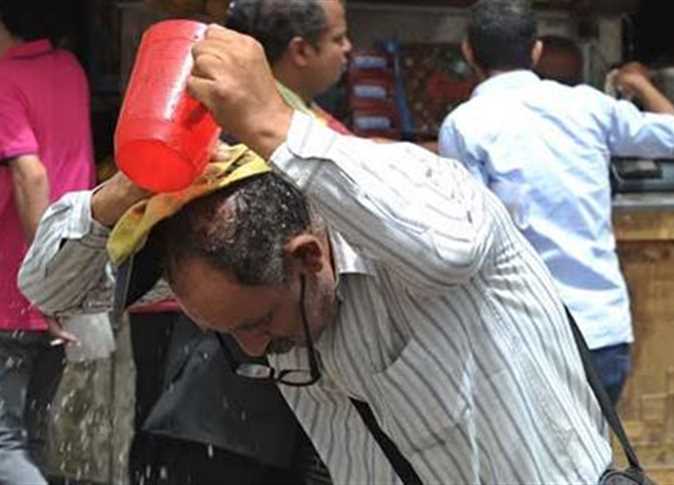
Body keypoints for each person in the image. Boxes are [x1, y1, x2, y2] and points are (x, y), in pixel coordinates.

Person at [21, 24, 613, 484]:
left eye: (259, 322)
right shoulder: (229, 269)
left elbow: (449, 250)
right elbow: (52, 287)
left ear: (308, 257)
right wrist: (130, 186)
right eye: (228, 332)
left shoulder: (425, 199)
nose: (255, 349)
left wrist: (274, 126)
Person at [438, 0, 674, 406]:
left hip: (523, 335)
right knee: (594, 443)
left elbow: (469, 240)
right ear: (535, 51)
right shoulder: (588, 106)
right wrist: (641, 85)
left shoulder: (464, 125)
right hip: (602, 331)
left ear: (468, 52)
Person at [0, 2, 96, 484]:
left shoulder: (4, 79)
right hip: (68, 278)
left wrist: (41, 280)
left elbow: (31, 174)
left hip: (13, 290)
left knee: (4, 444)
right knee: (33, 438)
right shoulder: (69, 70)